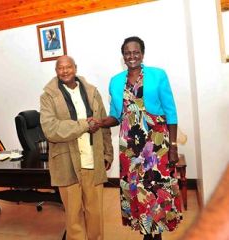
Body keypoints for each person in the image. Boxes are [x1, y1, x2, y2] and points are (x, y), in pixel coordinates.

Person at [98, 36, 182, 240]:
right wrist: (100, 122)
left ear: (142, 54)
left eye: (136, 52)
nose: (131, 56)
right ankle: (146, 232)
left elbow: (171, 112)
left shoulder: (158, 75)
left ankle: (156, 233)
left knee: (156, 187)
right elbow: (116, 116)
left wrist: (172, 146)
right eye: (127, 53)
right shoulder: (116, 81)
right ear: (123, 56)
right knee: (136, 188)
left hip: (156, 142)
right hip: (130, 146)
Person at [40, 55, 113, 240]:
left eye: (68, 67)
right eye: (60, 68)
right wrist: (84, 125)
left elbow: (103, 123)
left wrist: (107, 153)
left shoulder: (92, 92)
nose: (64, 71)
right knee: (73, 217)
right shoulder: (48, 96)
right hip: (66, 162)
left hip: (92, 160)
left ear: (75, 68)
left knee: (95, 213)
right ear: (56, 71)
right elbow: (51, 129)